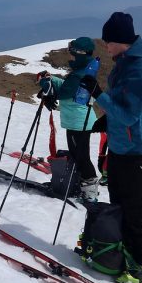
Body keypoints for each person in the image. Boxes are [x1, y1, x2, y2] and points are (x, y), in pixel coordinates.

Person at [79, 11, 142, 283]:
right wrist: (106, 122)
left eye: (109, 41)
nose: (106, 46)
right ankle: (123, 252)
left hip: (137, 148)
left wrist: (98, 94)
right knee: (119, 204)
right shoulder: (124, 62)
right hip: (122, 145)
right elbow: (118, 106)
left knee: (138, 208)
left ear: (121, 40)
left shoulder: (140, 69)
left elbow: (129, 115)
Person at [36, 37, 100, 202]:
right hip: (80, 120)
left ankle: (90, 192)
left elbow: (64, 93)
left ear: (79, 53)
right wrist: (52, 81)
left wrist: (46, 83)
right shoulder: (86, 69)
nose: (71, 56)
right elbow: (68, 88)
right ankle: (80, 185)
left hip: (79, 122)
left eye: (73, 53)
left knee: (81, 156)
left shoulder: (79, 73)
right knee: (77, 154)